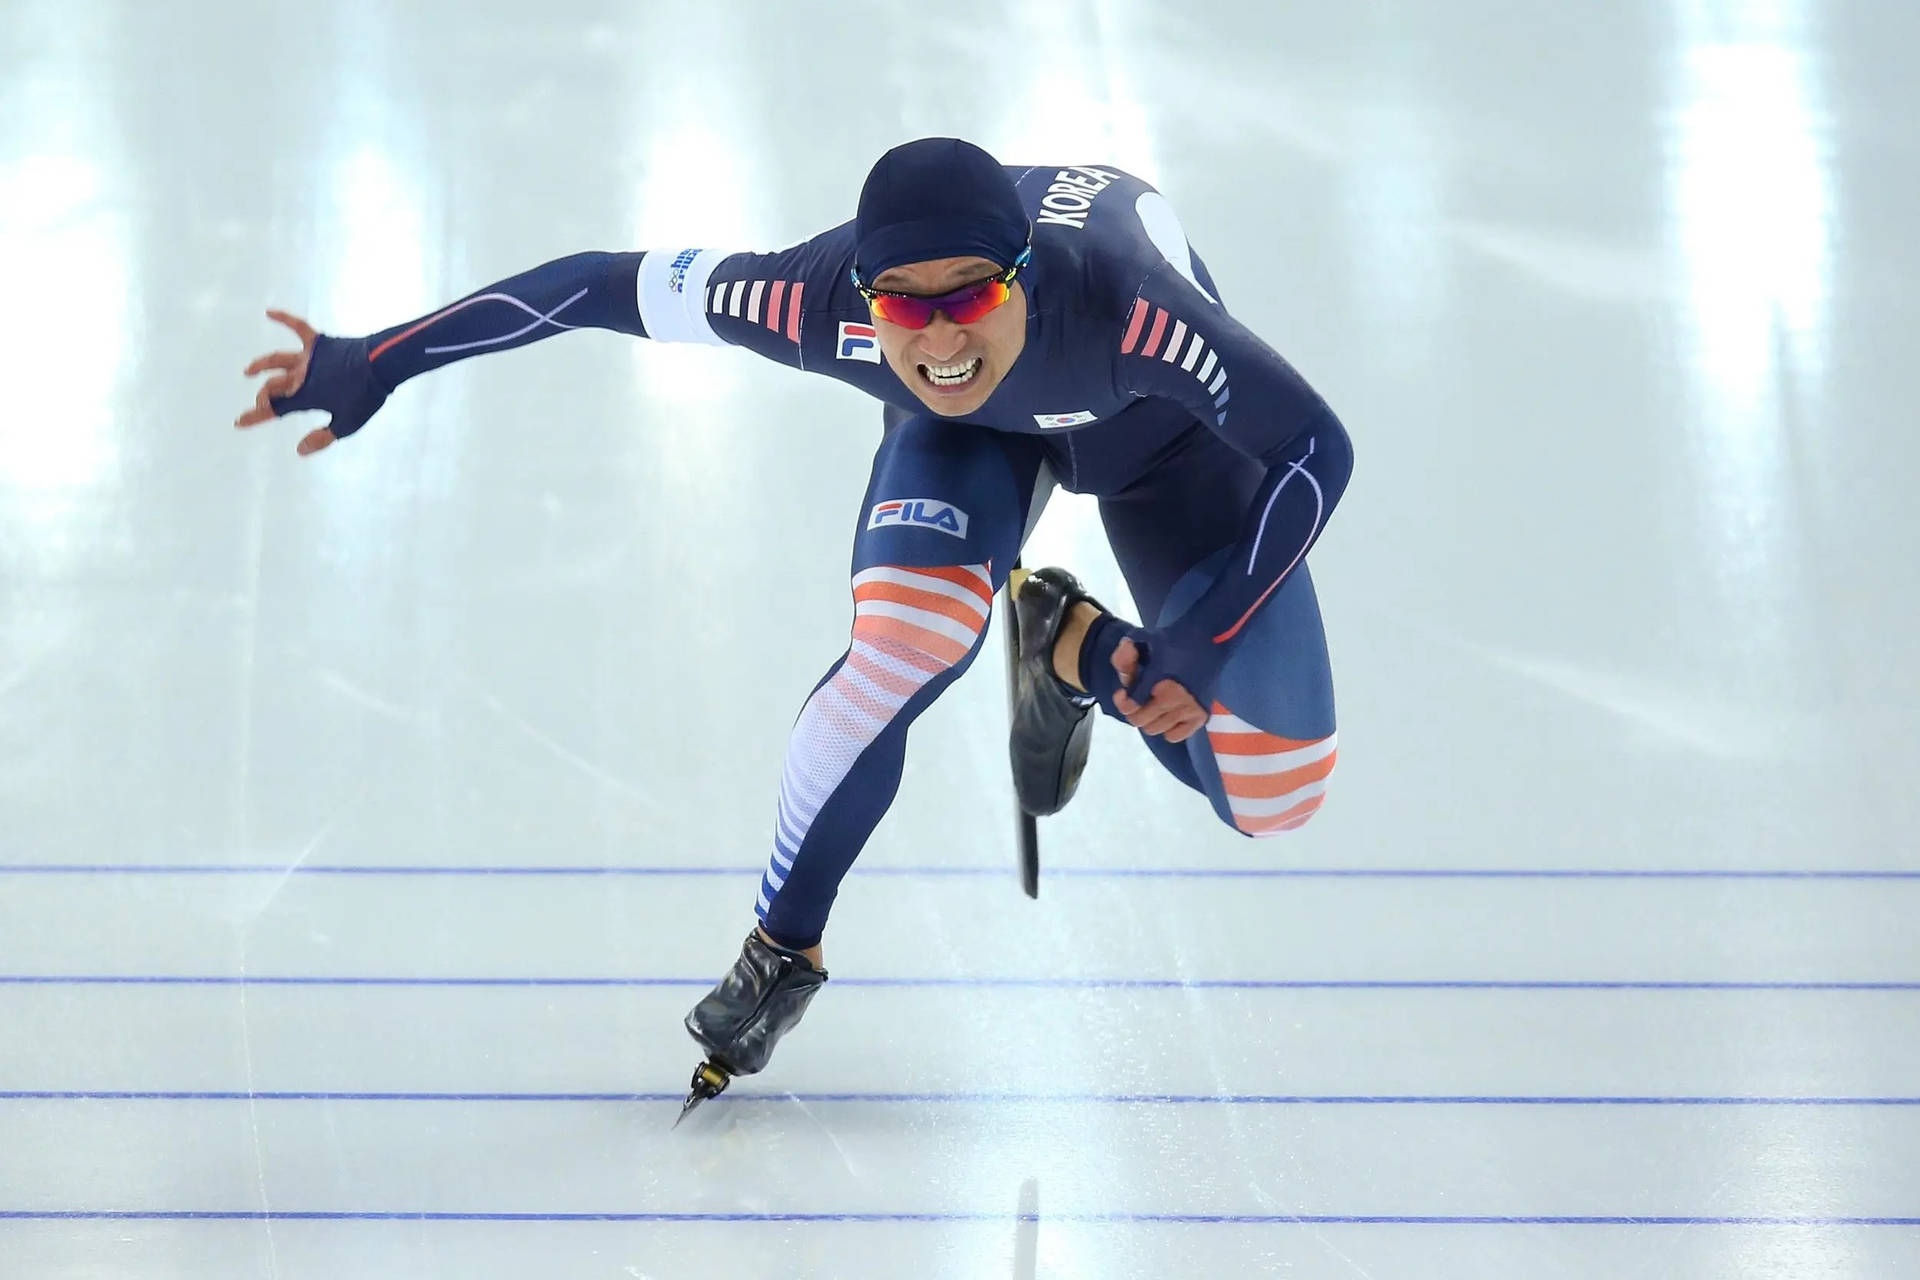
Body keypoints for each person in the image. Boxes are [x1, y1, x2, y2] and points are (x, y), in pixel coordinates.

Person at [238, 138, 1352, 1110]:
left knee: (1275, 789)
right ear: (862, 296)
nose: (941, 335)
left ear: (1021, 279)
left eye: (969, 295)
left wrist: (1205, 639)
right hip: (965, 441)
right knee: (903, 646)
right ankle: (783, 948)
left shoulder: (1134, 307)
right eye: (904, 304)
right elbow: (590, 286)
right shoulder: (811, 299)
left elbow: (1316, 445)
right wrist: (378, 359)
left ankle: (1068, 644)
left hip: (1156, 444)